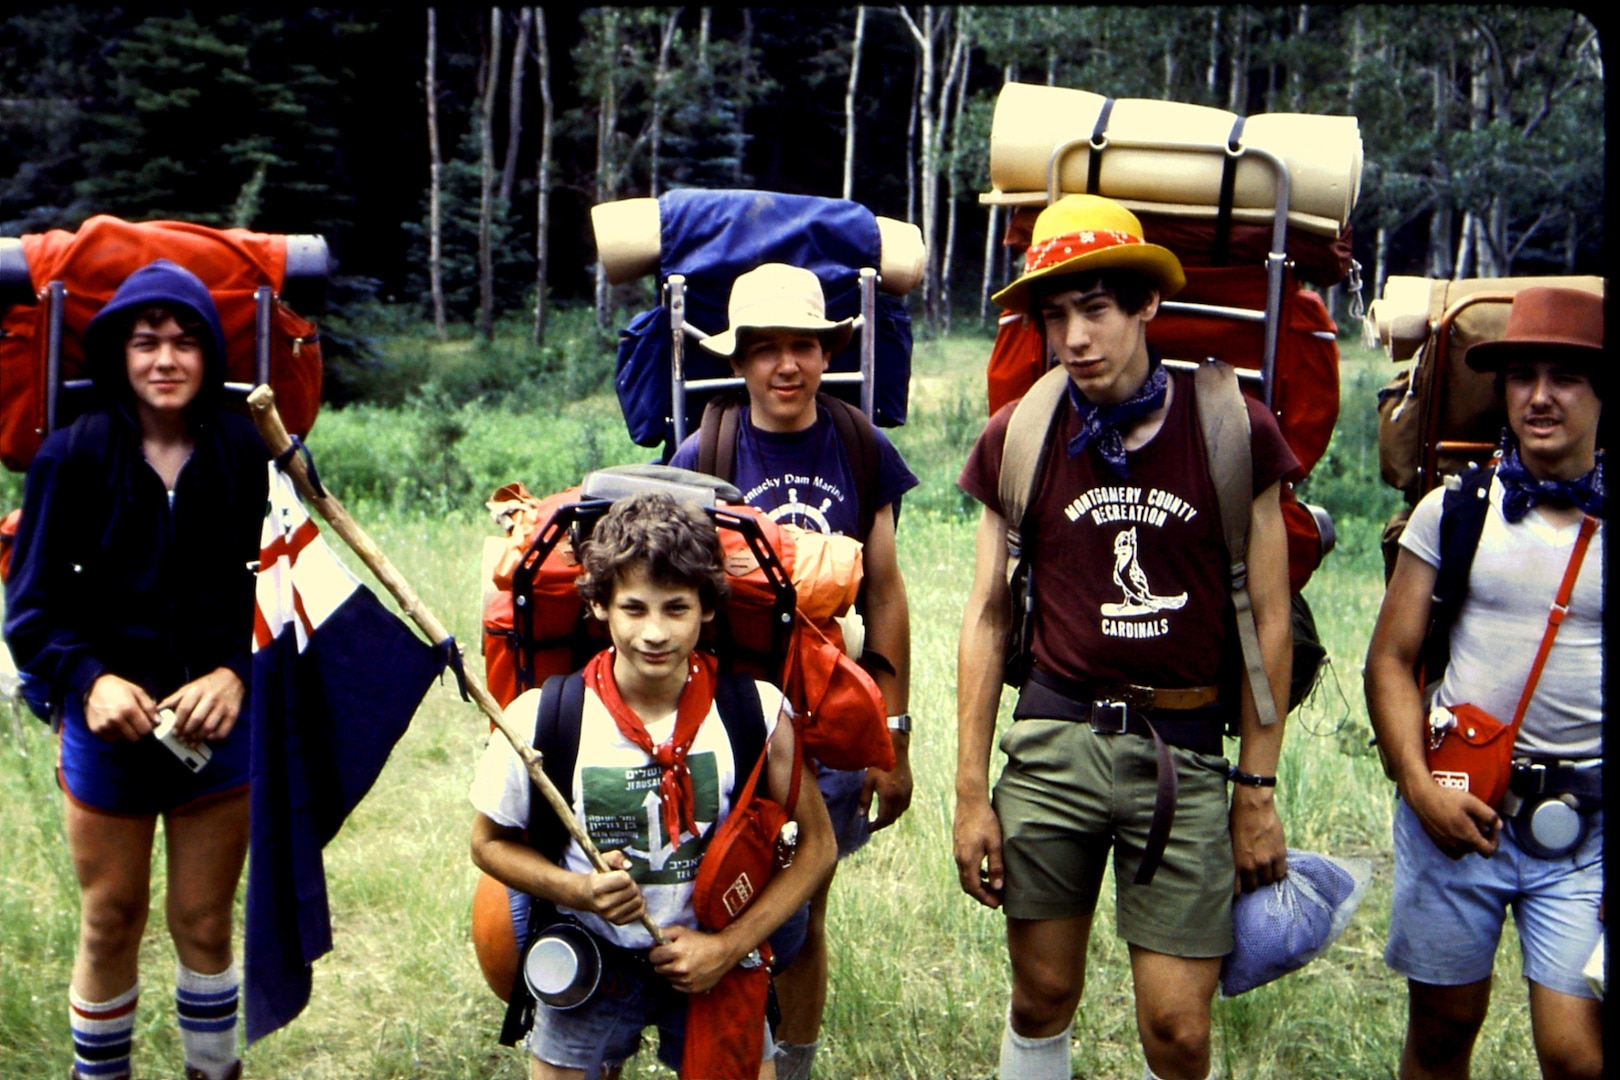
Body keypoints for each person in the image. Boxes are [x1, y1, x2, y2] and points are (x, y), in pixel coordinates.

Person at [952, 194, 1294, 1080]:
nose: (1074, 338)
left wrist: (1256, 786)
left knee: (1177, 1029)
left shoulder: (1229, 427)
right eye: (1055, 315)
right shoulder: (1022, 435)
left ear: (1148, 305)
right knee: (1040, 996)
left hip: (1181, 750)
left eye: (1096, 308)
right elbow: (989, 615)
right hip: (1054, 742)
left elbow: (1268, 616)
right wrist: (967, 791)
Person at [4, 259, 269, 1080]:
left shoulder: (245, 452)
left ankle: (211, 1074)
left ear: (210, 357)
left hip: (216, 731)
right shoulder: (71, 457)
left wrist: (236, 672)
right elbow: (31, 611)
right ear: (118, 352)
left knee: (202, 921)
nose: (165, 359)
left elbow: (294, 595)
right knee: (111, 918)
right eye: (146, 342)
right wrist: (88, 680)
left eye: (186, 342)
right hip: (106, 730)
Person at [469, 491, 835, 1079]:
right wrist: (579, 889)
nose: (655, 633)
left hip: (714, 958)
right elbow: (486, 844)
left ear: (708, 609)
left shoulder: (755, 714)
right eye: (634, 609)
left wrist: (726, 949)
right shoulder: (544, 717)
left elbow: (818, 848)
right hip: (592, 955)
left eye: (676, 608)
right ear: (600, 608)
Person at [667, 261, 918, 1080]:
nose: (786, 365)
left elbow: (884, 595)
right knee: (715, 888)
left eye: (803, 345)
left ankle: (794, 1064)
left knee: (805, 906)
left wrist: (894, 733)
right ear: (738, 360)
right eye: (766, 348)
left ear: (826, 352)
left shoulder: (857, 443)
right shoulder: (707, 447)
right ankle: (731, 1050)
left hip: (820, 714)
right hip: (728, 721)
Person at [1363, 285, 1604, 1080]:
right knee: (1442, 1031)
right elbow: (1391, 660)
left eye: (1565, 377)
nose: (1540, 397)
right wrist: (1419, 788)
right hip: (1456, 808)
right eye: (1520, 376)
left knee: (1576, 1052)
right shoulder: (1455, 508)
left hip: (1587, 829)